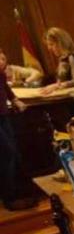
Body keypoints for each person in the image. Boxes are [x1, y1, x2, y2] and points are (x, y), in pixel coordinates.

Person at [0, 61, 35, 211]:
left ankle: (18, 193)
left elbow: (3, 84)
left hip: (3, 114)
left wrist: (14, 99)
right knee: (6, 154)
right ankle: (10, 198)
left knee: (13, 153)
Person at [40, 27, 74, 95]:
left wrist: (56, 86)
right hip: (66, 96)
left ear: (61, 42)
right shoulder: (62, 59)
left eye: (51, 44)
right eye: (48, 45)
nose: (49, 48)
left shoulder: (73, 57)